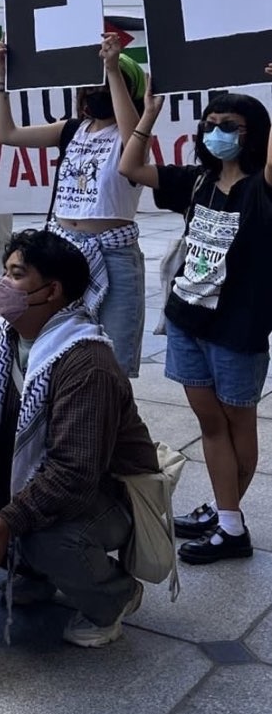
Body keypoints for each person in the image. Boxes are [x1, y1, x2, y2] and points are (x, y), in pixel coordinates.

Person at [0, 228, 158, 647]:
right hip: (53, 482)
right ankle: (32, 573)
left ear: (52, 290)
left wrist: (9, 521)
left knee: (49, 536)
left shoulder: (85, 362)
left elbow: (73, 474)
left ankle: (115, 597)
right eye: (4, 272)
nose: (2, 285)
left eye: (17, 275)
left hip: (108, 494)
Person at [119, 78, 272, 564]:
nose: (218, 132)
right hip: (187, 321)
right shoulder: (197, 180)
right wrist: (149, 112)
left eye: (231, 126)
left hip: (237, 330)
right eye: (210, 125)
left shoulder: (262, 189)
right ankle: (226, 515)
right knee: (210, 424)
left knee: (237, 424)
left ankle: (230, 523)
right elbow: (130, 167)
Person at [0, 34, 147, 376]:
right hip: (66, 254)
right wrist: (1, 80)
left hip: (114, 257)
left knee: (113, 362)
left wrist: (113, 70)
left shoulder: (133, 135)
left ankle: (112, 424)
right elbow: (7, 135)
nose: (95, 92)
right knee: (58, 346)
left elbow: (133, 134)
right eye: (91, 85)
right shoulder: (72, 129)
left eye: (105, 85)